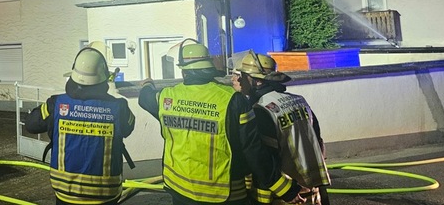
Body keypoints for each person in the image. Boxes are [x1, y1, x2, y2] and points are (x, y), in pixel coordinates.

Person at [138, 39, 304, 205]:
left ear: (184, 71)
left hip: (179, 189)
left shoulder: (166, 97)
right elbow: (253, 150)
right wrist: (285, 189)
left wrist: (147, 84)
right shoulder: (233, 100)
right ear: (209, 67)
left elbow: (145, 98)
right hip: (222, 194)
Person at [25, 47, 136, 205]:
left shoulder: (55, 104)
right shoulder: (119, 107)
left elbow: (31, 125)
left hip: (66, 192)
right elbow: (128, 129)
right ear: (104, 79)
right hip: (105, 194)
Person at [234, 52, 330, 205]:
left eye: (243, 76)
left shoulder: (261, 110)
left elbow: (265, 158)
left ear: (257, 81)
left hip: (285, 195)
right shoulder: (299, 101)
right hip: (312, 190)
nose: (239, 80)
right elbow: (318, 141)